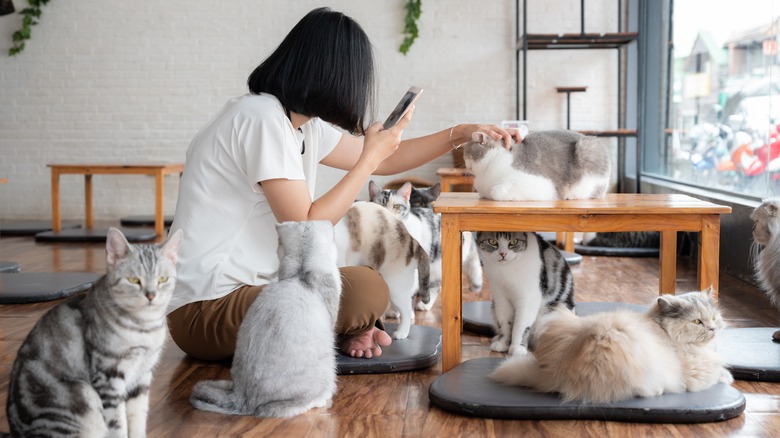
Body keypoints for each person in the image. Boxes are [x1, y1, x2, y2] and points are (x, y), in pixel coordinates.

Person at [166, 7, 519, 362]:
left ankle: (343, 331)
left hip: (257, 292)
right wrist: (369, 159)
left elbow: (389, 159)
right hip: (204, 312)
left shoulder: (300, 125)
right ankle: (341, 329)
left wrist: (457, 134)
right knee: (367, 290)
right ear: (335, 74)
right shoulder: (260, 118)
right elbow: (306, 223)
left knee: (361, 286)